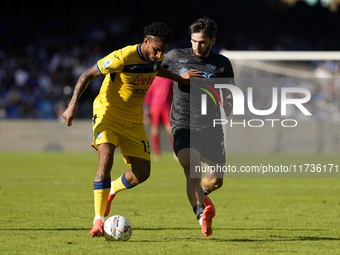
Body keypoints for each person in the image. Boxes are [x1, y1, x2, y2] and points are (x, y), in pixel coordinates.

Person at [62, 22, 202, 237]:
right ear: (146, 41)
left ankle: (112, 189)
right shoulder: (122, 57)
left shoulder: (157, 58)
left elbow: (156, 69)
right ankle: (98, 220)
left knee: (142, 173)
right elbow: (87, 75)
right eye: (156, 49)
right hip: (107, 113)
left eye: (163, 51)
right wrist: (72, 105)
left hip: (133, 119)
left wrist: (178, 78)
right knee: (106, 156)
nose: (159, 55)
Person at [161, 17, 235, 237]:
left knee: (215, 181)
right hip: (183, 123)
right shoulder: (175, 56)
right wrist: (178, 77)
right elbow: (152, 68)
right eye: (193, 41)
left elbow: (228, 89)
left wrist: (229, 103)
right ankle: (202, 214)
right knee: (191, 165)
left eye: (202, 42)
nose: (196, 46)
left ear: (212, 40)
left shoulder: (222, 63)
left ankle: (202, 194)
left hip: (211, 127)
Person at [144, 76, 174, 161]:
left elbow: (174, 93)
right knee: (155, 130)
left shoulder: (169, 79)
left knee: (171, 130)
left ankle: (175, 151)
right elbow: (149, 94)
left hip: (167, 107)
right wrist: (146, 110)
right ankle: (157, 153)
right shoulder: (153, 79)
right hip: (155, 107)